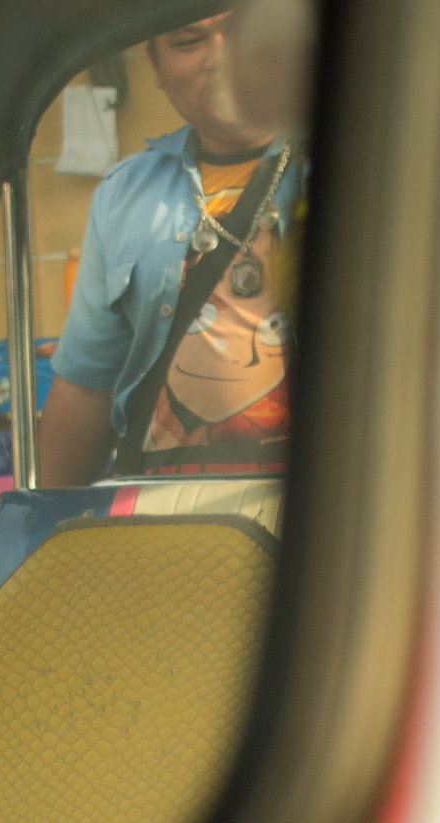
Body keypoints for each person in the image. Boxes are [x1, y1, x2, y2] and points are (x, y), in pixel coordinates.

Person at [40, 14, 305, 485]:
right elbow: (86, 390)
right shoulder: (123, 196)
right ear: (155, 65)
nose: (221, 57)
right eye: (189, 41)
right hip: (164, 514)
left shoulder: (368, 164)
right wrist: (48, 518)